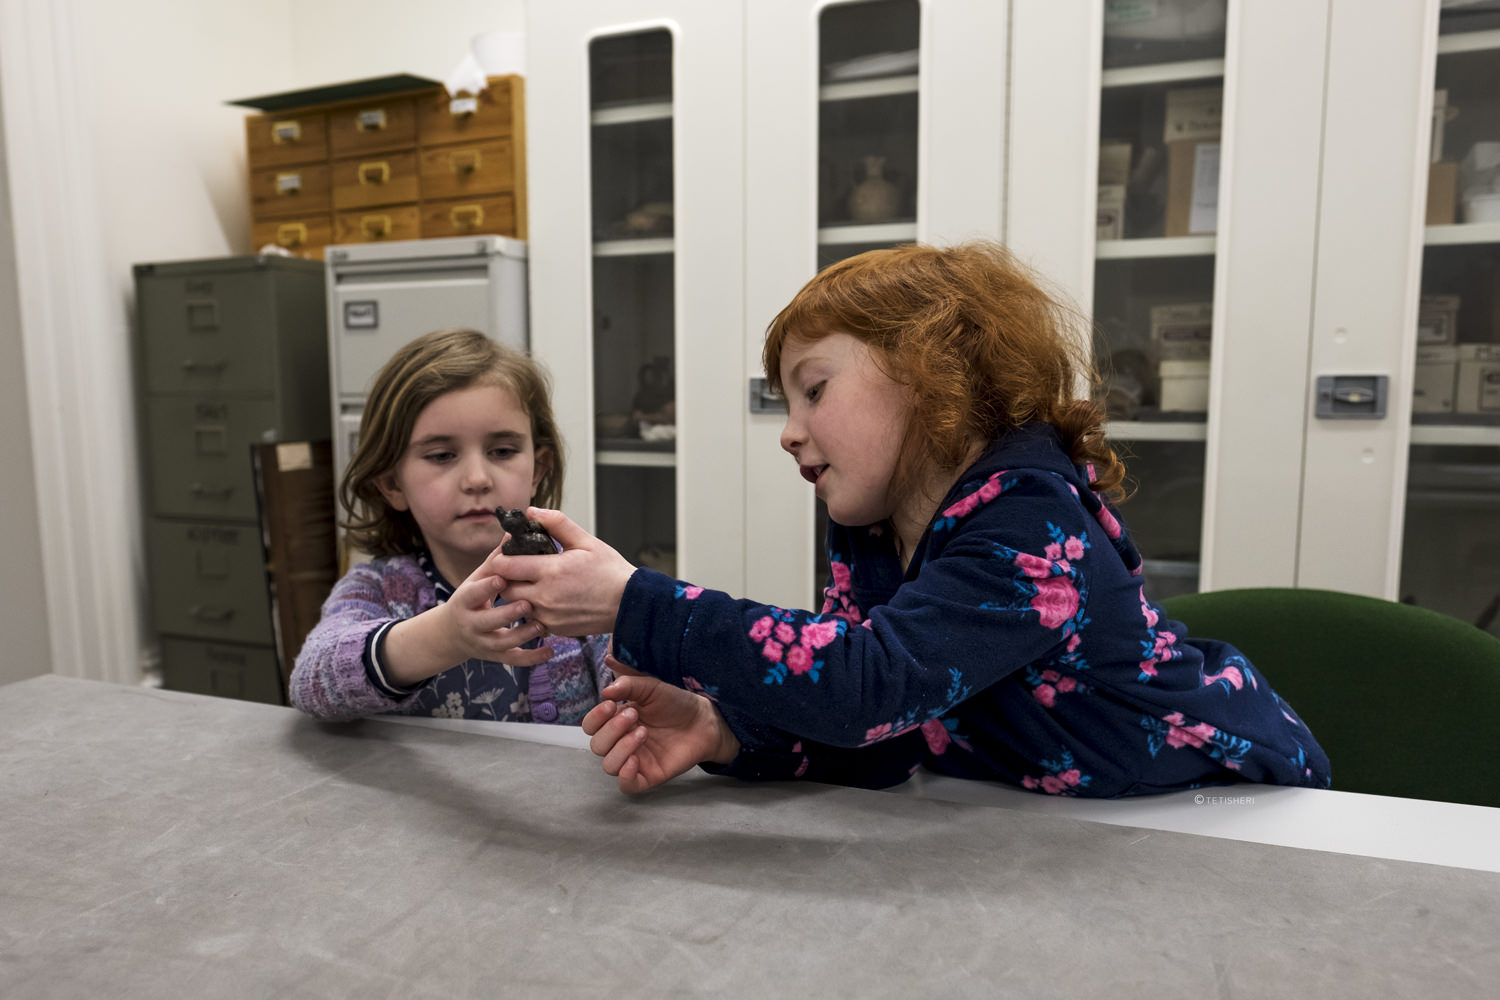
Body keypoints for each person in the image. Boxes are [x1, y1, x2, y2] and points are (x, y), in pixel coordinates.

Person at [494, 242, 1332, 796]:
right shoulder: (873, 527)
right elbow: (891, 729)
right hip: (1062, 826)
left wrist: (636, 601)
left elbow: (869, 683)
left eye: (814, 389)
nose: (788, 432)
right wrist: (721, 731)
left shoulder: (1033, 520)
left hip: (1226, 805)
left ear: (935, 375)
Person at [289, 328, 612, 724]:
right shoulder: (378, 589)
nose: (477, 478)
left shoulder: (578, 579)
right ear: (392, 484)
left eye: (502, 451)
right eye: (442, 455)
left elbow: (637, 679)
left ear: (537, 470)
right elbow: (311, 681)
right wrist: (445, 635)